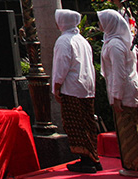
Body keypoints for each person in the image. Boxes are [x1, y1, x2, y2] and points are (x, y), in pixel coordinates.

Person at [52, 9, 101, 174]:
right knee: (87, 123)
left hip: (72, 87)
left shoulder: (63, 41)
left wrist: (57, 86)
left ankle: (86, 160)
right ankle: (93, 157)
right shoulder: (82, 40)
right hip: (86, 87)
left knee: (75, 124)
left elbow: (61, 66)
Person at [100, 8, 138, 176]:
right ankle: (134, 164)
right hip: (127, 90)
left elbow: (119, 73)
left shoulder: (115, 45)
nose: (99, 24)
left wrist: (117, 97)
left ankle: (137, 165)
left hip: (125, 92)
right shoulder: (118, 41)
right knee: (130, 129)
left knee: (130, 131)